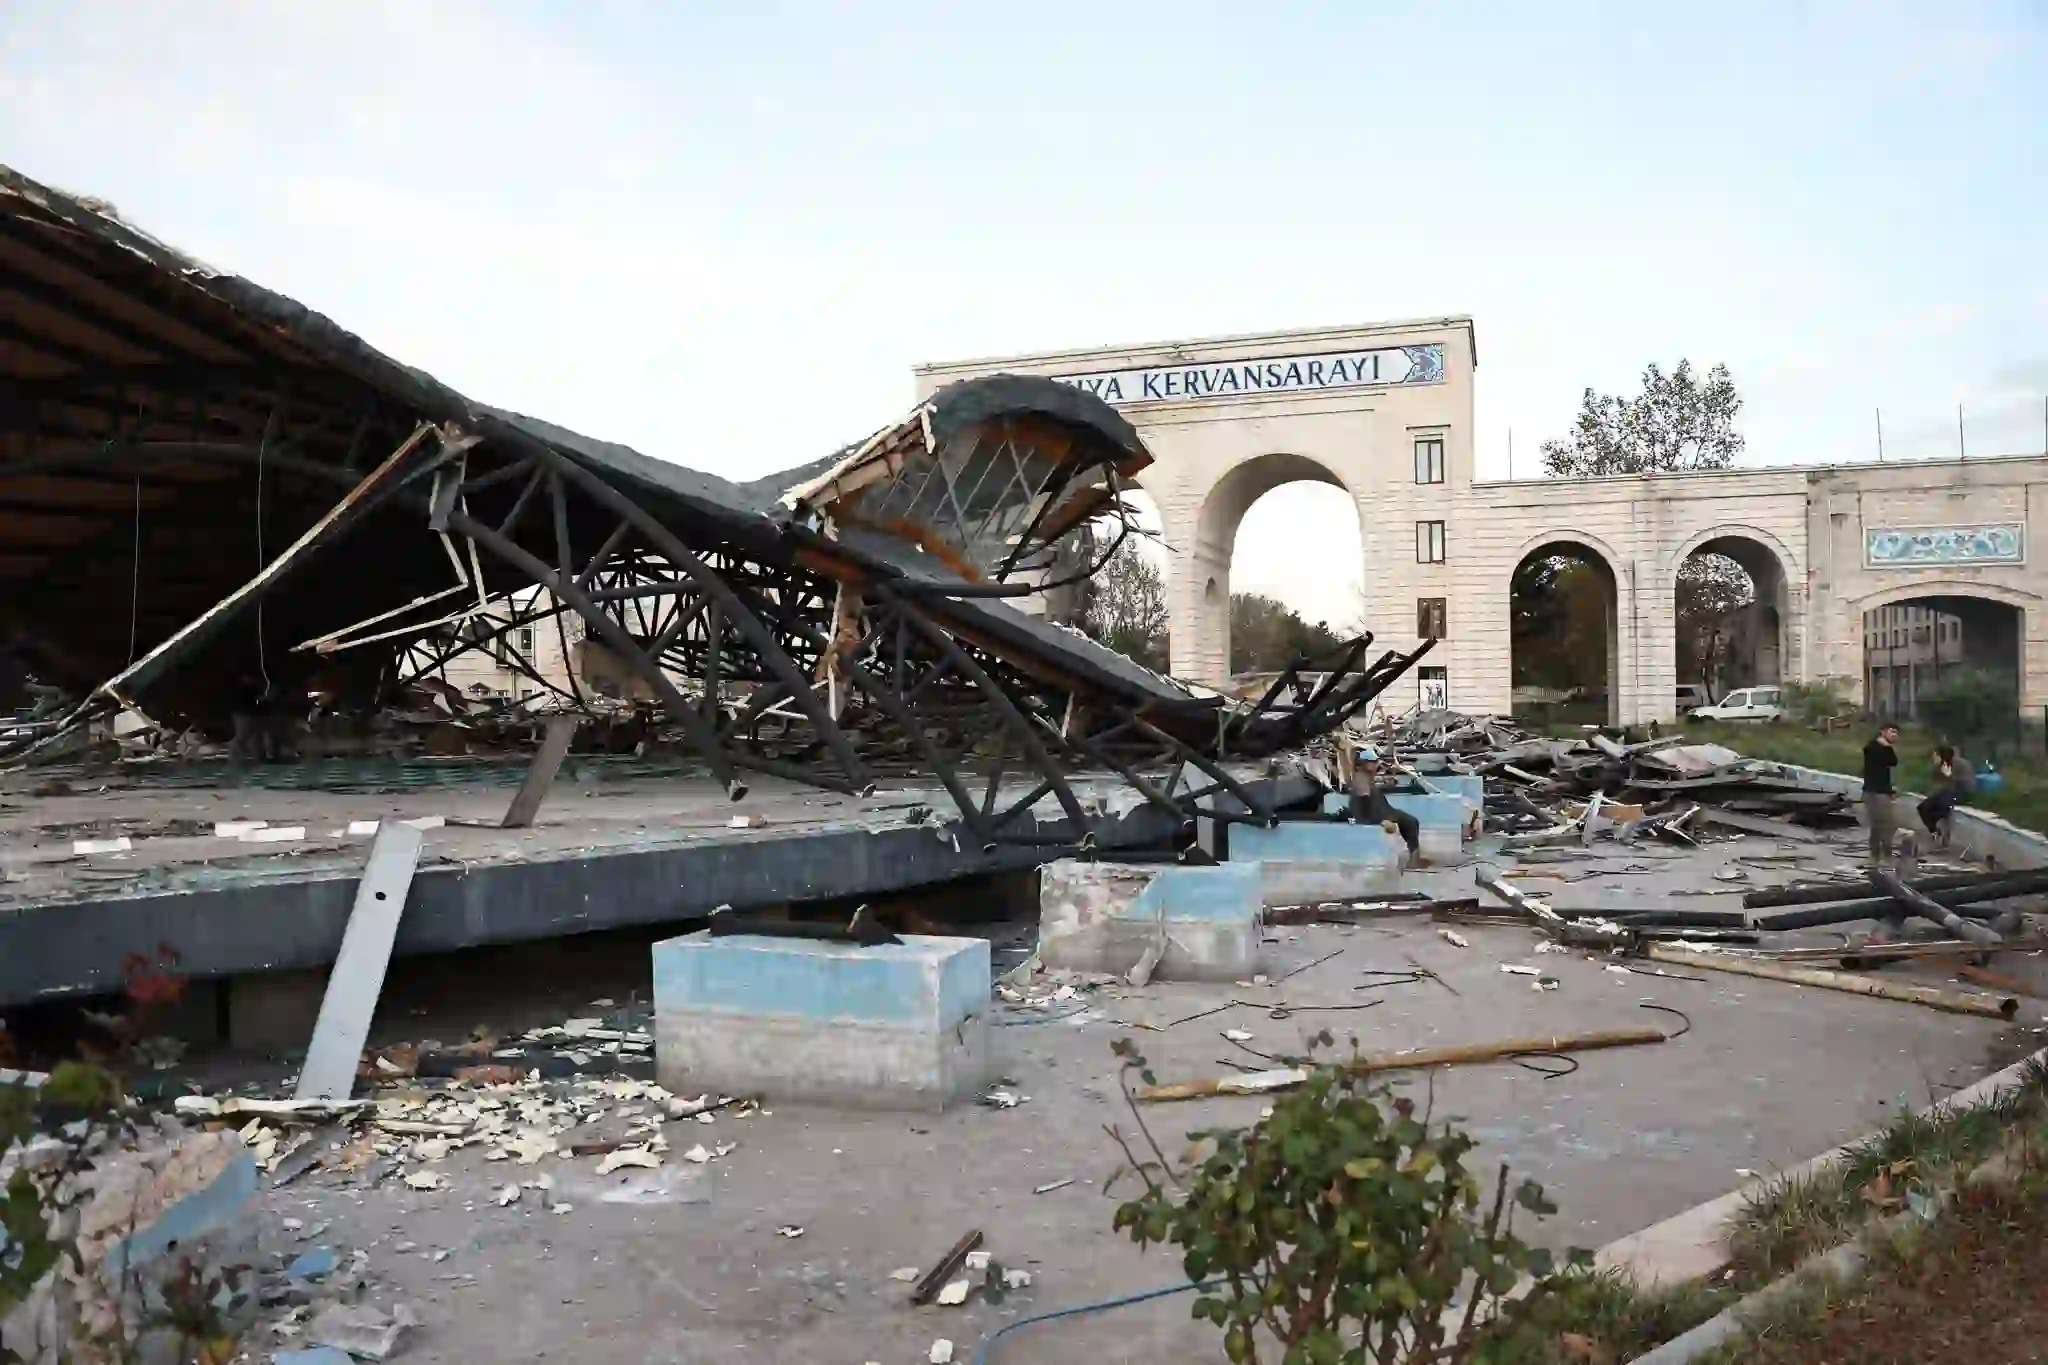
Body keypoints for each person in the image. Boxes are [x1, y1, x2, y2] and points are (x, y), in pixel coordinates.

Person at [1348, 743, 1422, 862]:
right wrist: (1379, 821)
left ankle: (1414, 856)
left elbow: (1371, 792)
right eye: (1372, 762)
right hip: (1376, 814)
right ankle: (1414, 857)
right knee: (1410, 822)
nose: (1376, 764)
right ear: (1363, 764)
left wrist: (1385, 786)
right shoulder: (1361, 780)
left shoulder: (1366, 777)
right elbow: (1365, 805)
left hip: (1384, 810)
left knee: (1410, 821)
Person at [1917, 744, 1976, 842]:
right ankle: (1934, 831)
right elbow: (1935, 780)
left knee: (1940, 808)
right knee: (1923, 807)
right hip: (1946, 793)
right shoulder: (1943, 764)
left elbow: (1965, 784)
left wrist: (1949, 776)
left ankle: (1940, 831)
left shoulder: (1963, 765)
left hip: (1960, 794)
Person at [1861, 722, 1900, 866]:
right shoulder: (1872, 747)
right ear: (1883, 732)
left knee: (1888, 825)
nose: (1895, 735)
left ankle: (1885, 854)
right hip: (1873, 792)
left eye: (1897, 733)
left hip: (1883, 792)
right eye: (1892, 731)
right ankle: (1875, 855)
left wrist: (1890, 790)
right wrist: (1883, 745)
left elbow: (1893, 762)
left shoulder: (1886, 749)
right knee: (1878, 824)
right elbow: (1872, 758)